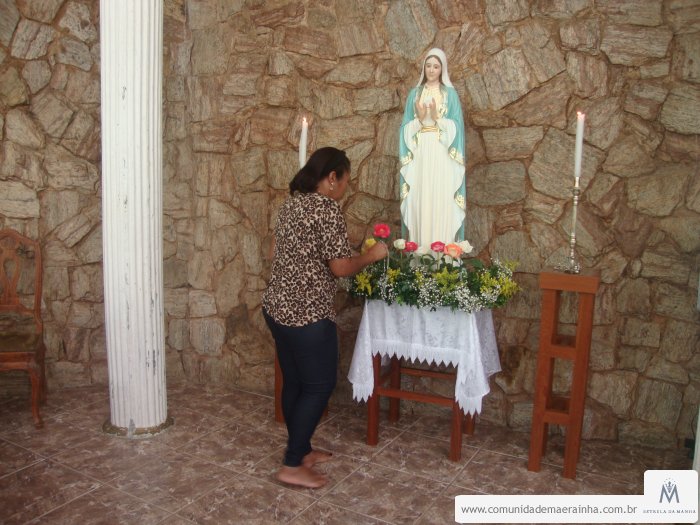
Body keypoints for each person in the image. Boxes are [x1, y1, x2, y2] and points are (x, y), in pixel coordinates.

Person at [262, 146, 388, 489]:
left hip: (276, 308)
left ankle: (301, 450)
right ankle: (291, 464)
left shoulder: (291, 204)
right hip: (307, 316)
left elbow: (274, 251)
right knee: (318, 387)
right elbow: (341, 267)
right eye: (345, 180)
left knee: (295, 383)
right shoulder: (326, 209)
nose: (345, 187)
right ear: (332, 177)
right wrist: (373, 255)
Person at [399, 47, 466, 247]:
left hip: (442, 152)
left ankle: (442, 251)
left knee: (441, 197)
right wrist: (419, 119)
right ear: (424, 68)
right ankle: (419, 248)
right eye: (428, 66)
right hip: (420, 152)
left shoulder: (450, 95)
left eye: (436, 66)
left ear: (442, 69)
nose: (431, 70)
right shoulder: (415, 94)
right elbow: (404, 129)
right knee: (420, 196)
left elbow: (458, 127)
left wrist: (437, 117)